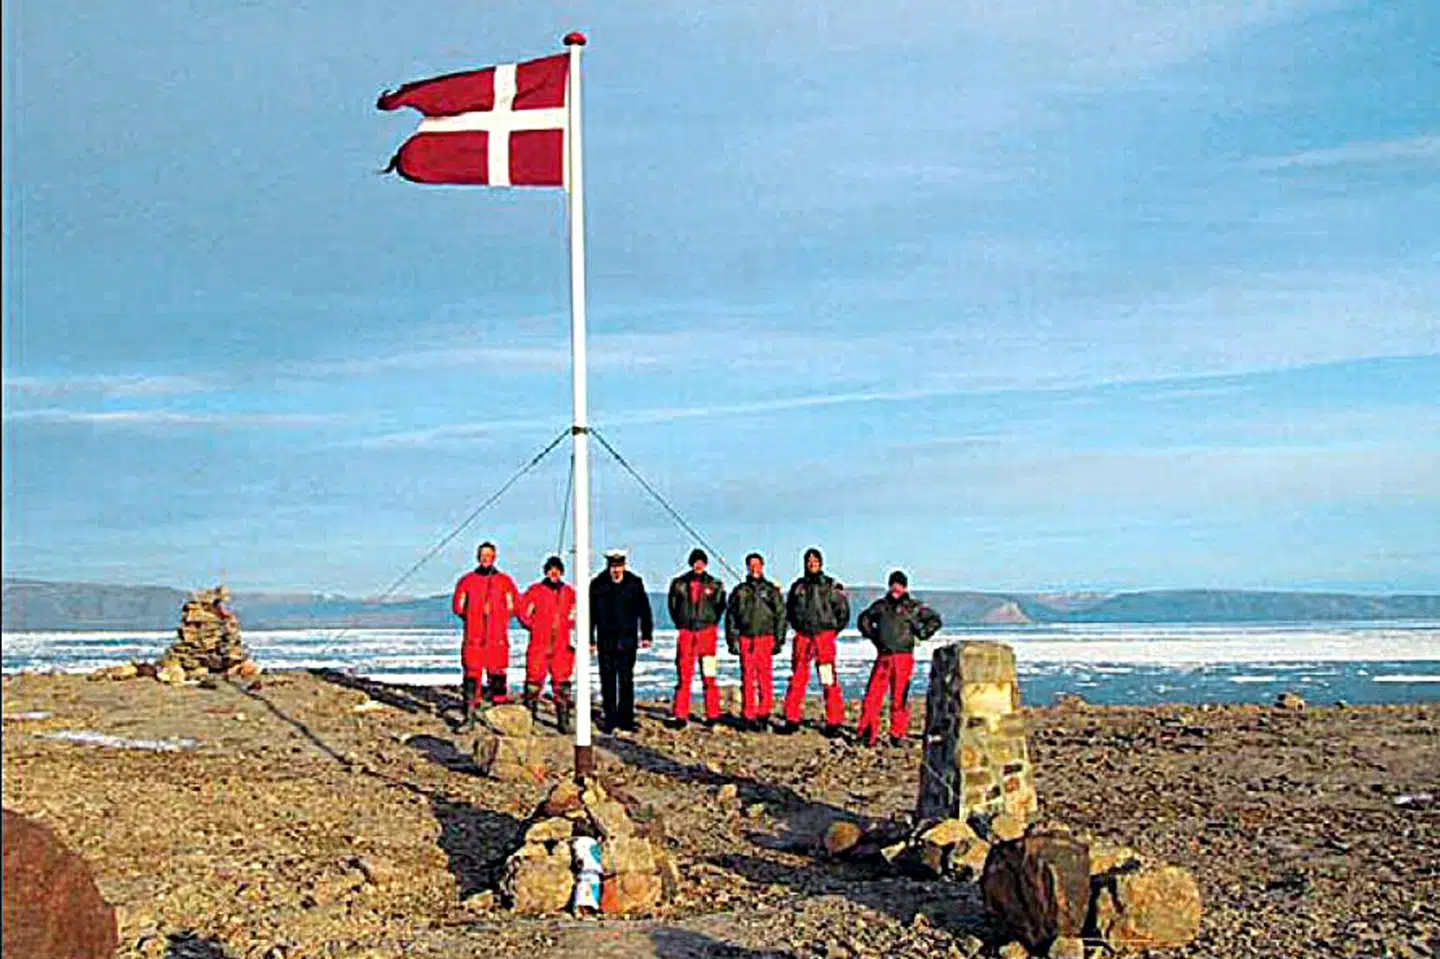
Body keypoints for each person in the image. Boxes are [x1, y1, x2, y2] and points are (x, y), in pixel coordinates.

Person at [856, 570, 942, 747]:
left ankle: (897, 733)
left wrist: (922, 633)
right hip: (884, 656)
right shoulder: (881, 606)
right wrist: (874, 636)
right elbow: (864, 619)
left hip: (904, 656)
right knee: (873, 695)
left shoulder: (913, 607)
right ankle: (867, 732)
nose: (896, 588)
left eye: (900, 585)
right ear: (889, 586)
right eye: (893, 584)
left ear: (905, 587)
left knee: (900, 697)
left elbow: (935, 620)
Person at [779, 547, 851, 737]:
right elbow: (790, 610)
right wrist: (797, 626)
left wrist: (832, 630)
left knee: (828, 678)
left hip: (823, 636)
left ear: (820, 563)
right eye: (809, 561)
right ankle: (792, 718)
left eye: (815, 561)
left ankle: (834, 721)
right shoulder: (798, 586)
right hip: (803, 636)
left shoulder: (830, 586)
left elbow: (843, 611)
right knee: (797, 677)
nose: (812, 564)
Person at [451, 541, 520, 729]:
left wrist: (498, 617)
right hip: (474, 637)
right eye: (482, 555)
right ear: (477, 556)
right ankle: (470, 716)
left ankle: (499, 717)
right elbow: (458, 606)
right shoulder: (467, 581)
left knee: (498, 674)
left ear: (495, 557)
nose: (485, 558)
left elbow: (514, 606)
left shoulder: (505, 581)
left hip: (496, 638)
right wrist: (474, 616)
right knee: (472, 675)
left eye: (489, 555)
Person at [590, 549, 653, 734]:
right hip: (605, 640)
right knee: (607, 679)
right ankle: (610, 718)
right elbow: (590, 613)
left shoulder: (635, 583)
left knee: (626, 679)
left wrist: (647, 634)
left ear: (624, 565)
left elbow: (644, 610)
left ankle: (626, 718)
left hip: (627, 639)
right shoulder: (598, 584)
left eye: (619, 566)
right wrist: (590, 639)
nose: (616, 570)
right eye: (613, 566)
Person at [725, 552, 787, 731]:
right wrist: (732, 639)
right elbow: (731, 616)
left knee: (765, 678)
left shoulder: (771, 590)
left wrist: (779, 638)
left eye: (757, 565)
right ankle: (749, 715)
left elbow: (781, 615)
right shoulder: (740, 591)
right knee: (747, 678)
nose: (754, 568)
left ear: (763, 566)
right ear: (747, 567)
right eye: (751, 565)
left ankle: (764, 713)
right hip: (746, 637)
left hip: (765, 637)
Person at [666, 548, 727, 730]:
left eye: (701, 562)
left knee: (709, 675)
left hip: (707, 634)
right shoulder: (679, 584)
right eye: (695, 562)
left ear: (705, 564)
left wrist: (711, 623)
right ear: (691, 563)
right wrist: (681, 622)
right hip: (686, 633)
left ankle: (713, 714)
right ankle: (680, 714)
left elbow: (720, 606)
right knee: (684, 675)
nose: (698, 565)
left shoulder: (715, 584)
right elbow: (673, 606)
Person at [516, 555, 578, 733]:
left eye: (557, 570)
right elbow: (523, 612)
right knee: (534, 681)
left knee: (562, 683)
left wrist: (567, 626)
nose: (554, 573)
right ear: (546, 571)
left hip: (562, 644)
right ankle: (529, 718)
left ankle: (563, 720)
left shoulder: (569, 593)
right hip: (539, 643)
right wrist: (535, 626)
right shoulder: (535, 591)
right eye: (551, 570)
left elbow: (575, 613)